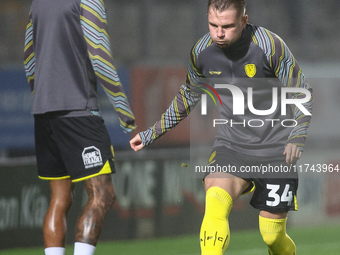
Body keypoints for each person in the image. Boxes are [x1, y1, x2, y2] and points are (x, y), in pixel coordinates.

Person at [130, 0, 313, 254]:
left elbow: (301, 91)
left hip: (276, 148)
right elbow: (188, 96)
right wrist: (151, 134)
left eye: (227, 26)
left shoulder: (269, 46)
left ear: (244, 21)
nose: (219, 33)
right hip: (232, 144)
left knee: (272, 236)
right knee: (215, 200)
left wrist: (298, 134)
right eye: (213, 24)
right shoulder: (202, 52)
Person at [24, 0, 136, 254]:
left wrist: (41, 94)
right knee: (102, 194)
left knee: (60, 198)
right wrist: (125, 113)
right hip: (78, 111)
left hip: (43, 112)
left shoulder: (38, 3)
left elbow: (29, 57)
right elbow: (100, 56)